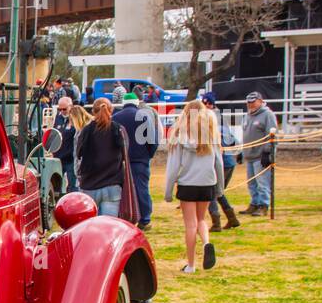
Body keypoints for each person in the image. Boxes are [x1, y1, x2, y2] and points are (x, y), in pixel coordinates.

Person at [165, 98, 225, 273]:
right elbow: (219, 163)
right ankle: (206, 242)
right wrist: (219, 187)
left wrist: (168, 191)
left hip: (188, 183)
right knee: (201, 220)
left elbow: (173, 166)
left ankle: (191, 265)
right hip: (207, 182)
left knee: (190, 224)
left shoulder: (179, 136)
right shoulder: (211, 135)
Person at [113, 92, 159, 231]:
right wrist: (147, 155)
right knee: (142, 189)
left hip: (120, 160)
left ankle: (125, 217)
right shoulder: (144, 116)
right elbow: (152, 140)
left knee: (122, 190)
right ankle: (145, 219)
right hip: (140, 159)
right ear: (137, 102)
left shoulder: (115, 118)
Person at [76, 98, 126, 216]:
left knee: (90, 227)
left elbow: (79, 154)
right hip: (112, 183)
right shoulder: (117, 129)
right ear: (111, 110)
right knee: (108, 227)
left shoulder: (86, 130)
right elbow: (125, 154)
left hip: (89, 184)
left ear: (93, 112)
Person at [200, 91, 241, 232]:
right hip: (224, 161)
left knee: (211, 191)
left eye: (206, 103)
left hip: (222, 161)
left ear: (210, 104)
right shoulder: (216, 117)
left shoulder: (214, 118)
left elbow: (225, 138)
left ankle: (216, 222)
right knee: (218, 192)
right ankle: (232, 218)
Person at [239, 91, 278, 216]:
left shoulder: (268, 115)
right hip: (249, 155)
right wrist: (241, 151)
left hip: (261, 156)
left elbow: (272, 135)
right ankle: (254, 203)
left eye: (253, 102)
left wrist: (268, 152)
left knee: (262, 183)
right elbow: (244, 135)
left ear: (260, 101)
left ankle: (264, 205)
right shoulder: (247, 116)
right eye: (248, 102)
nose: (250, 105)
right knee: (251, 183)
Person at [52, 97, 78, 192]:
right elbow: (54, 133)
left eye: (64, 109)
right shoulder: (58, 117)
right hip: (59, 156)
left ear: (70, 107)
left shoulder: (75, 118)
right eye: (60, 109)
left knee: (73, 186)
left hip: (71, 157)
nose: (62, 111)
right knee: (56, 186)